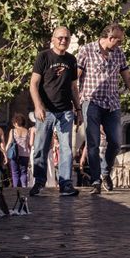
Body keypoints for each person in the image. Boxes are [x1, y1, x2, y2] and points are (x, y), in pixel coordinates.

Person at [77, 23, 130, 195]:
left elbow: (128, 78)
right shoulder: (87, 50)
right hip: (91, 102)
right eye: (119, 41)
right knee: (93, 143)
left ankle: (106, 171)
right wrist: (75, 104)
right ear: (110, 37)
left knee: (115, 142)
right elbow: (75, 77)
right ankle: (96, 180)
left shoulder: (119, 54)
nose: (120, 44)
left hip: (112, 103)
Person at [29, 26, 82, 197]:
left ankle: (65, 183)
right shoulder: (43, 57)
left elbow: (74, 87)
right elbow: (34, 84)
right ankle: (39, 181)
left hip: (65, 110)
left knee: (66, 147)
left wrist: (78, 109)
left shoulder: (71, 60)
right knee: (40, 148)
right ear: (53, 39)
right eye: (60, 38)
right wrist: (38, 106)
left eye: (66, 38)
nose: (63, 41)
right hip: (46, 110)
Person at [6, 113, 34, 188]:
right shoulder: (27, 131)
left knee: (15, 172)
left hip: (14, 154)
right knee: (24, 172)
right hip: (25, 154)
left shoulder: (12, 131)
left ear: (15, 122)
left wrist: (5, 154)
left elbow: (9, 143)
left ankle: (16, 189)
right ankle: (24, 187)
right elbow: (29, 145)